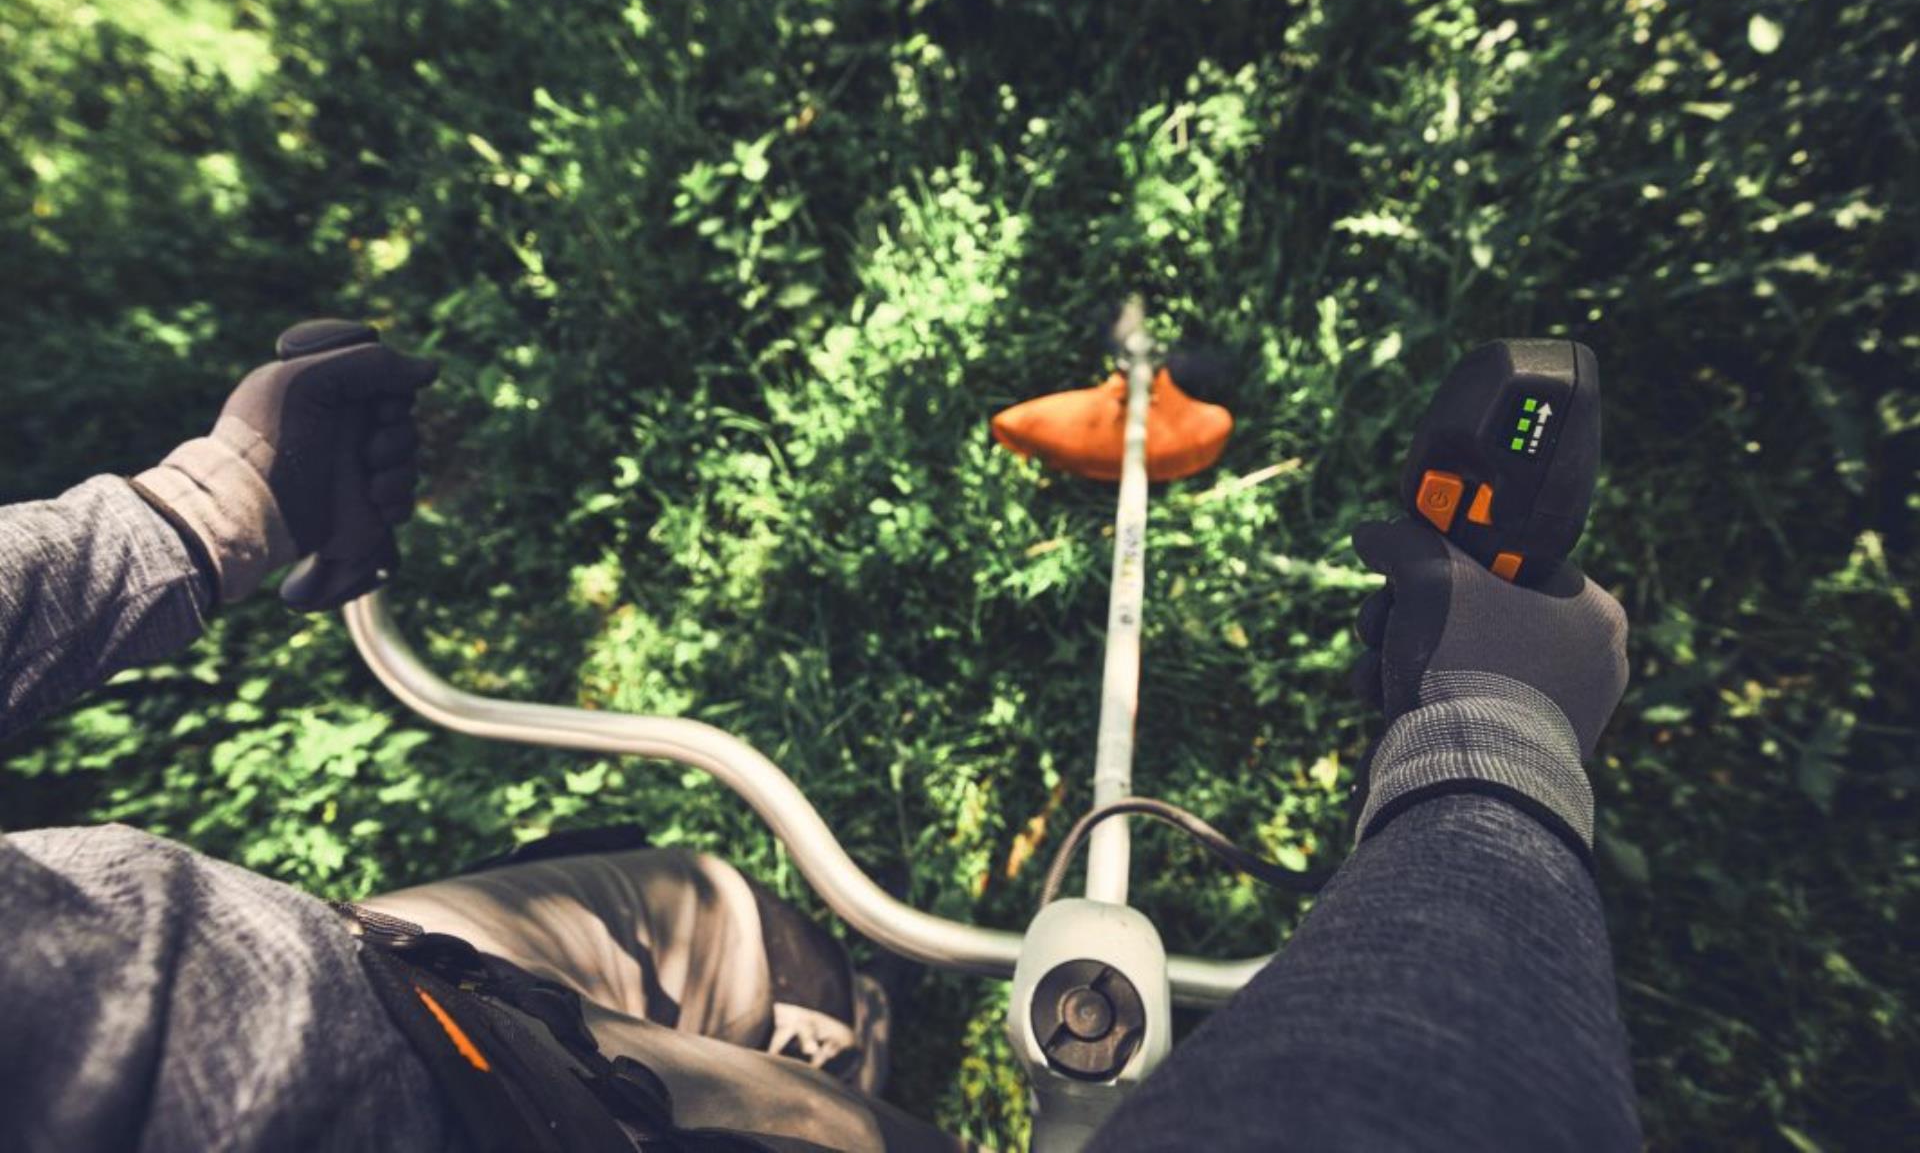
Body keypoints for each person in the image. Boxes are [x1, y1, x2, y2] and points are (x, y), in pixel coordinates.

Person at [0, 322, 1641, 1152]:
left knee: (718, 918)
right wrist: (1495, 751)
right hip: (480, 1124)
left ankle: (842, 1026)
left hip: (349, 970)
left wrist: (203, 512)